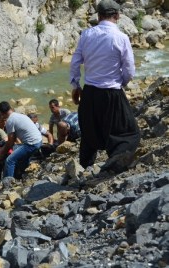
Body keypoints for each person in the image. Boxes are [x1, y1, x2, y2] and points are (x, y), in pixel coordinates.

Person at [69, 0, 140, 173]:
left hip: (90, 92)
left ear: (98, 16)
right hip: (112, 92)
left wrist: (76, 85)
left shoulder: (86, 35)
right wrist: (121, 83)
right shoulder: (121, 37)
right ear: (117, 16)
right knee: (126, 133)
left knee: (89, 130)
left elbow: (75, 63)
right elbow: (129, 68)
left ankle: (84, 167)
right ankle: (115, 165)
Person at [0, 101, 42, 178]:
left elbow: (10, 142)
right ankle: (22, 175)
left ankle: (7, 184)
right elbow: (14, 138)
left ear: (1, 113)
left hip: (31, 144)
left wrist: (2, 152)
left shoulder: (10, 121)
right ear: (10, 108)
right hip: (39, 140)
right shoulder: (20, 115)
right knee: (23, 158)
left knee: (9, 161)